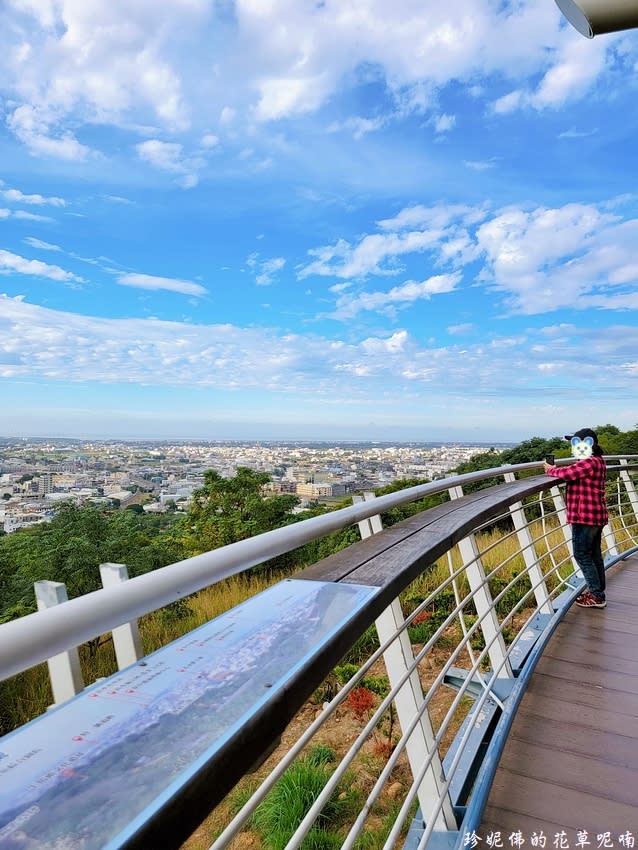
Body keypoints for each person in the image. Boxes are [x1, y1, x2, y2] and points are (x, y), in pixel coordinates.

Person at [543, 427, 608, 609]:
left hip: (585, 517)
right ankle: (598, 592)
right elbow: (574, 470)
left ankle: (597, 595)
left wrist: (550, 470)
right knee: (594, 555)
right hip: (595, 516)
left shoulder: (589, 462)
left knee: (581, 555)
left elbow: (567, 473)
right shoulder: (597, 461)